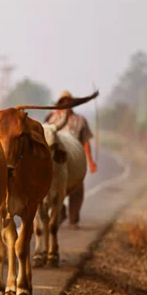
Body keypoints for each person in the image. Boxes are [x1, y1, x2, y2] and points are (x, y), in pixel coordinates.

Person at [44, 90, 98, 229]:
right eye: (63, 102)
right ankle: (59, 210)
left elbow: (85, 142)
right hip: (56, 158)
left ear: (73, 104)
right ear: (58, 104)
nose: (66, 105)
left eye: (69, 102)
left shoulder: (80, 120)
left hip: (74, 156)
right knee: (52, 189)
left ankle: (73, 220)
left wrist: (90, 162)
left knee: (77, 188)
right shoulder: (50, 118)